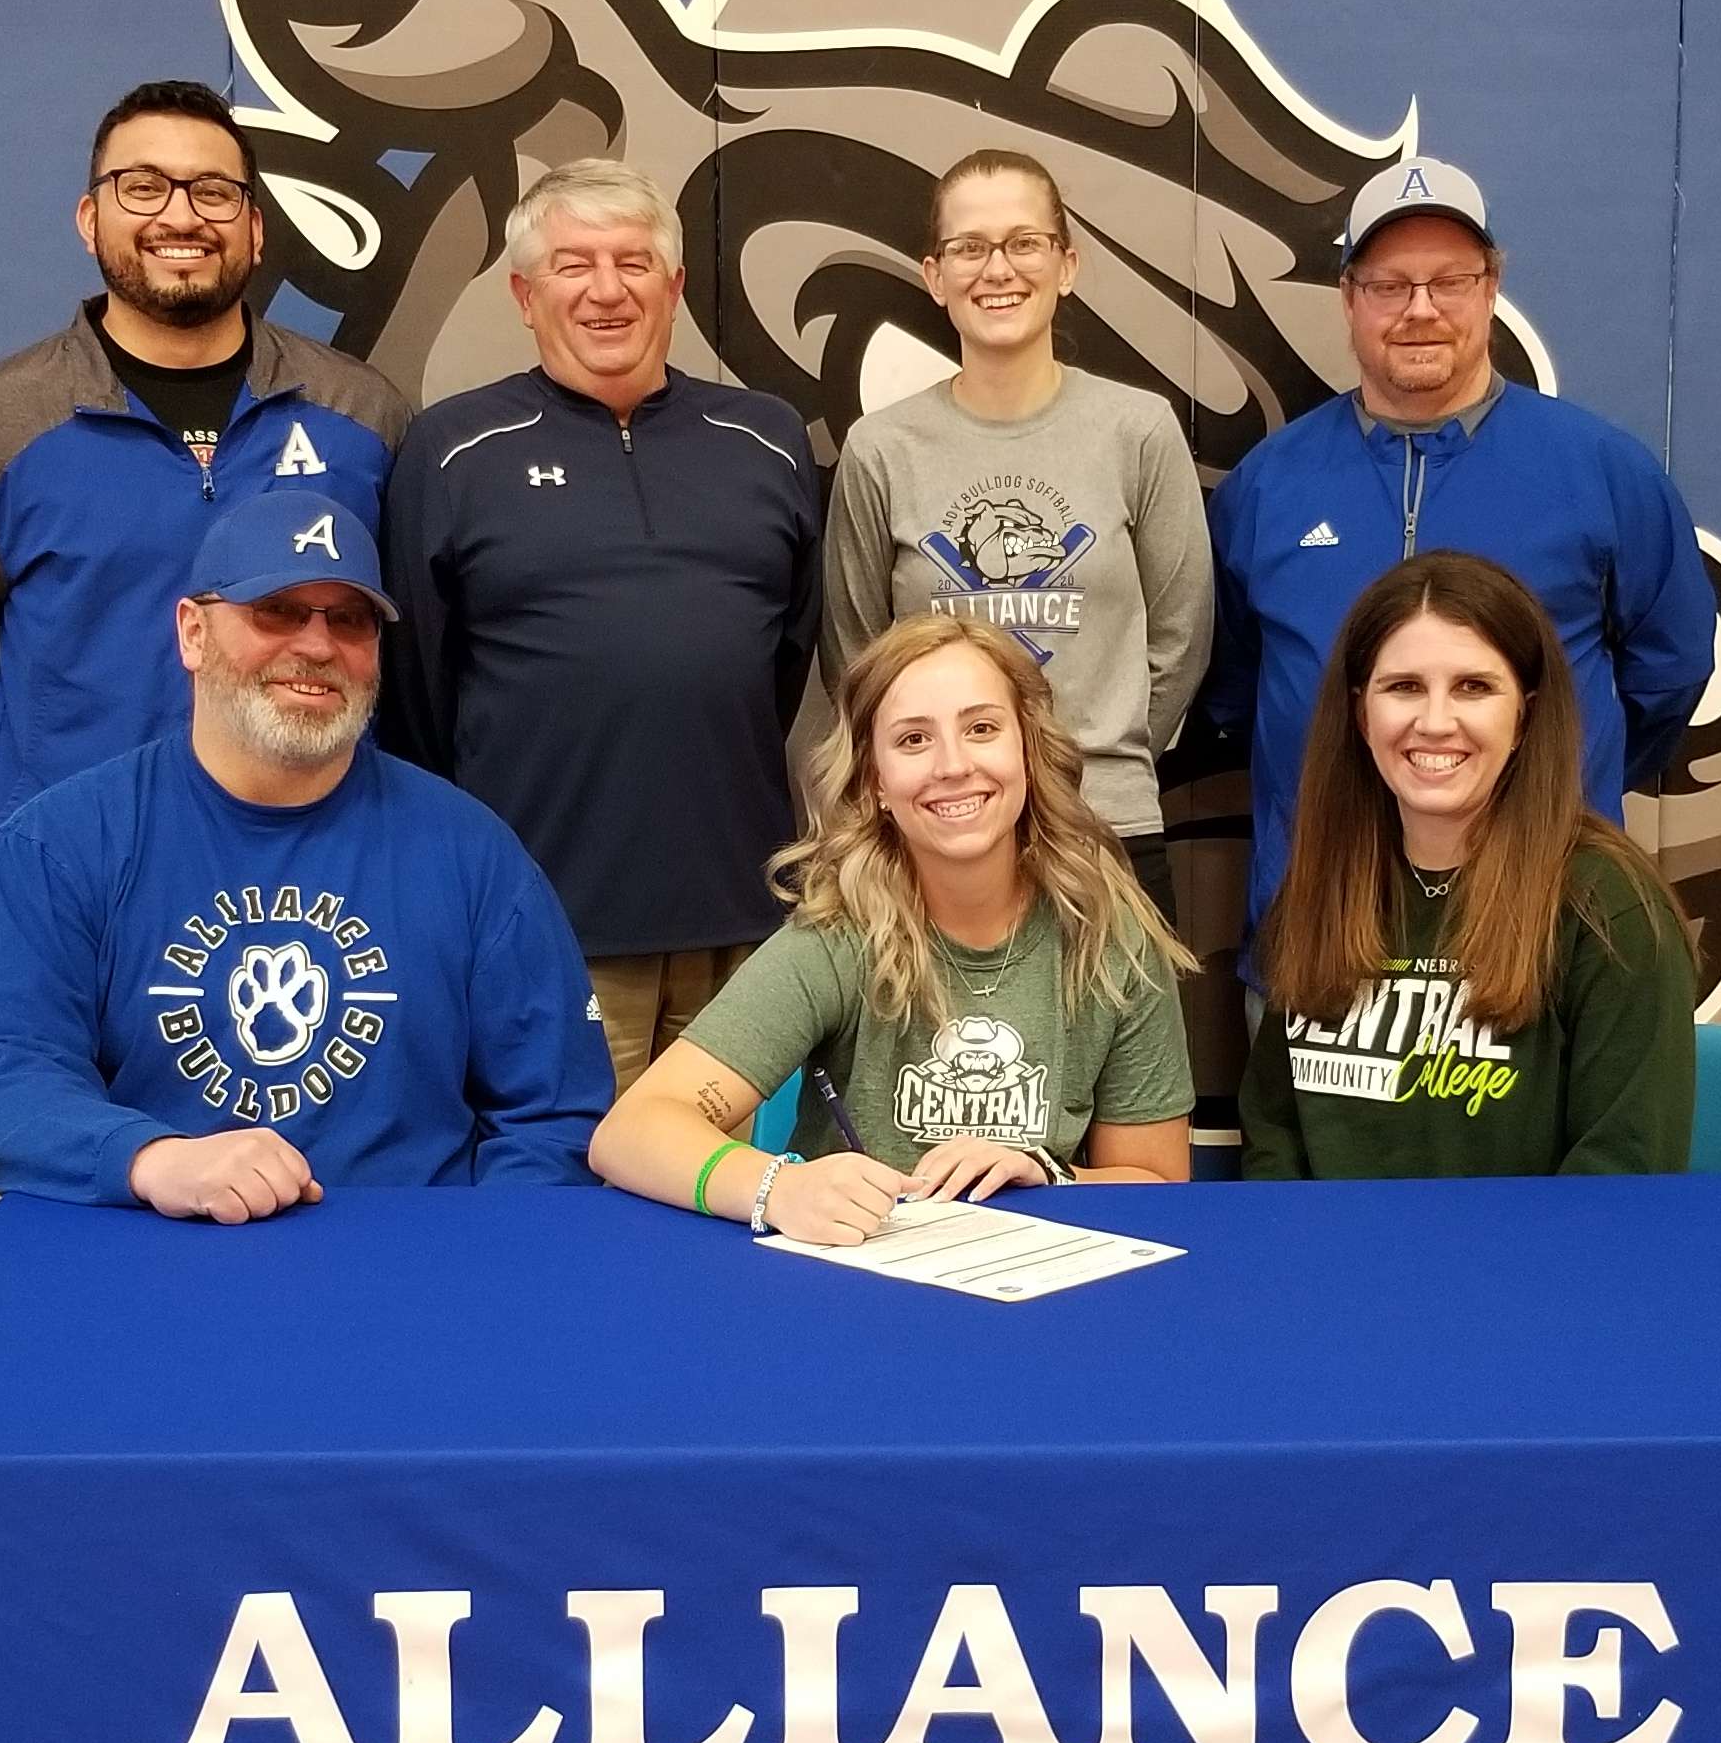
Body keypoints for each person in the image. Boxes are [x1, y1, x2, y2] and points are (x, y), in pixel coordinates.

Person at [0, 486, 607, 1222]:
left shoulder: (472, 854)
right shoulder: (64, 841)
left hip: (409, 1273)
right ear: (192, 632)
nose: (316, 646)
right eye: (275, 610)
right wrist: (152, 1160)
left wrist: (473, 1260)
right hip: (156, 1255)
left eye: (349, 620)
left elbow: (555, 1115)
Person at [379, 156, 823, 1095]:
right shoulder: (452, 448)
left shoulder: (767, 438)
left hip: (741, 918)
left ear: (674, 286)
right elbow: (414, 692)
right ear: (524, 293)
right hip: (547, 922)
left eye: (631, 263)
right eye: (573, 265)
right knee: (573, 1198)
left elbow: (781, 662)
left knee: (733, 1196)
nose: (606, 291)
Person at [0, 77, 411, 837]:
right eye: (142, 187)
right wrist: (52, 795)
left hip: (319, 858)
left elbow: (405, 651)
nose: (179, 215)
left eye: (213, 191)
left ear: (256, 228)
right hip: (85, 865)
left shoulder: (362, 415)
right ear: (89, 216)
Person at [1208, 153, 1714, 926]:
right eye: (1388, 285)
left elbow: (1669, 674)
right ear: (1349, 298)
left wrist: (1564, 766)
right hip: (1319, 921)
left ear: (1491, 287)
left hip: (1538, 917)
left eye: (1450, 281)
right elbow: (1239, 685)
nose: (1420, 309)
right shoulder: (1269, 483)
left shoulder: (1602, 470)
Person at [591, 613, 1193, 1245]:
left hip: (1045, 1291)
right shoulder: (836, 939)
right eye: (913, 740)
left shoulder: (1111, 939)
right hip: (857, 1282)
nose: (953, 765)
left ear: (1028, 749)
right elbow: (629, 1133)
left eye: (982, 728)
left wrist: (1049, 1173)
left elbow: (1157, 1181)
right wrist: (780, 1188)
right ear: (876, 781)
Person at [824, 148, 1211, 918]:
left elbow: (1181, 640)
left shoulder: (1138, 430)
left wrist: (1078, 757)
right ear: (936, 277)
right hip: (942, 839)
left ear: (1067, 264)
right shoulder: (881, 449)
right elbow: (860, 660)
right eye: (970, 247)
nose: (997, 269)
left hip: (1107, 828)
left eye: (1023, 243)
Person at [1241, 552, 1695, 1181]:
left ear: (1525, 716)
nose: (1433, 722)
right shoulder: (1321, 886)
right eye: (1403, 687)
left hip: (1525, 1275)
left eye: (1473, 688)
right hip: (1335, 1271)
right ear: (1360, 713)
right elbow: (1274, 1141)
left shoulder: (1607, 906)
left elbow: (1621, 1175)